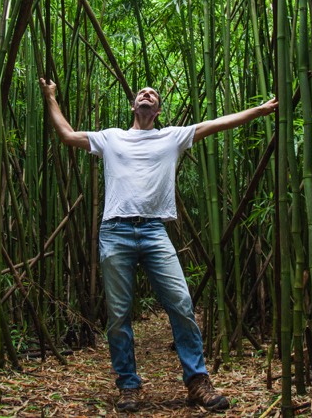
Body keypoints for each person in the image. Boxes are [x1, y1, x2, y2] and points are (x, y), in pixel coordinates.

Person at [39, 79, 278, 412]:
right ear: (133, 106)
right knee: (119, 315)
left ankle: (197, 382)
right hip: (115, 231)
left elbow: (217, 123)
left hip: (154, 232)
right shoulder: (111, 137)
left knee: (181, 303)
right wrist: (51, 97)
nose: (145, 94)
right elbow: (67, 135)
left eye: (152, 94)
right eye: (141, 93)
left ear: (159, 110)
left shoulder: (172, 137)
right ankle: (128, 386)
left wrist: (259, 110)